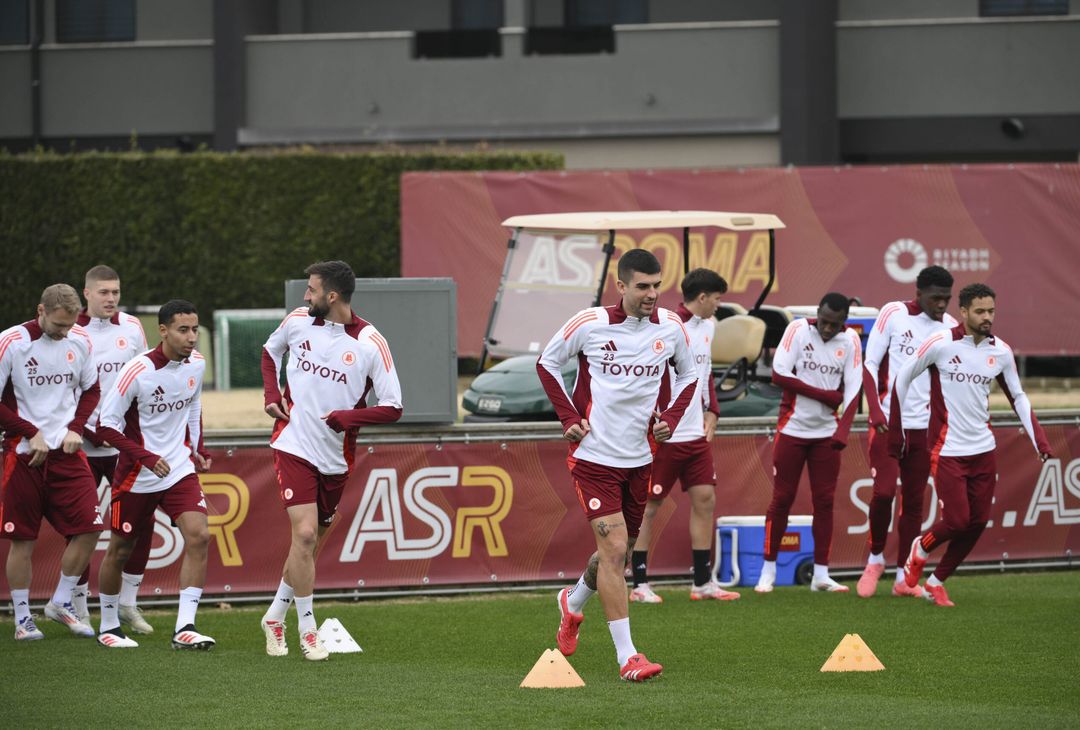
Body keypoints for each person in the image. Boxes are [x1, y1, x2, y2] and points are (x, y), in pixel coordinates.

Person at [537, 249, 698, 682]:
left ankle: (572, 603)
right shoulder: (589, 323)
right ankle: (628, 657)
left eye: (656, 285)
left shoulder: (671, 328)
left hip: (640, 458)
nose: (652, 294)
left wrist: (671, 418)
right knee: (612, 551)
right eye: (642, 286)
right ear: (621, 286)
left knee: (617, 554)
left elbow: (689, 376)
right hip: (593, 458)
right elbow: (547, 363)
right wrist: (569, 418)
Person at [260, 261, 403, 661]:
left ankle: (274, 615)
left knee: (309, 543)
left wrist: (347, 419)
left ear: (333, 296)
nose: (306, 296)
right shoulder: (297, 322)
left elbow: (393, 407)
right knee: (304, 536)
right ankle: (307, 630)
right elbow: (269, 352)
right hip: (293, 444)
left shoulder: (371, 343)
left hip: (335, 459)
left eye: (312, 290)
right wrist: (272, 393)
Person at [891, 283, 1051, 607]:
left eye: (991, 311)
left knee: (978, 522)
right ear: (963, 312)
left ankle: (936, 582)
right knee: (957, 521)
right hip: (947, 450)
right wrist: (898, 429)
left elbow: (1017, 397)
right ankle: (920, 547)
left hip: (983, 450)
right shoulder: (939, 343)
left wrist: (1040, 440)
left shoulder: (1000, 352)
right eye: (980, 311)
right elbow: (903, 378)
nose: (987, 317)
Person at [94, 299, 213, 648]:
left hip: (178, 469)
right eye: (183, 330)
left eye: (194, 329)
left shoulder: (197, 365)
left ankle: (185, 628)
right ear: (162, 331)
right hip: (136, 475)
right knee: (120, 549)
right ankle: (109, 625)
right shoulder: (136, 370)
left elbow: (194, 404)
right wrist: (144, 456)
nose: (192, 337)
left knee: (200, 535)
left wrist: (198, 448)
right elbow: (106, 426)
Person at [629, 268, 739, 603]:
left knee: (706, 499)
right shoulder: (666, 325)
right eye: (717, 299)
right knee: (650, 506)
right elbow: (654, 375)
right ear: (703, 297)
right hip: (665, 435)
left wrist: (713, 411)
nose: (719, 306)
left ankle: (702, 582)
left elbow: (704, 374)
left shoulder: (709, 326)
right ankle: (639, 583)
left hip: (696, 435)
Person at [0, 284, 102, 641]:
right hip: (24, 455)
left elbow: (92, 389)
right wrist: (29, 432)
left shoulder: (79, 341)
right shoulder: (11, 341)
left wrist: (76, 427)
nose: (64, 332)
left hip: (68, 453)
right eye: (58, 325)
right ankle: (23, 619)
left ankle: (60, 602)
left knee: (90, 528)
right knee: (23, 540)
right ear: (40, 310)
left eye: (70, 325)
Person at [856, 266, 955, 599]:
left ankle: (902, 578)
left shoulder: (951, 328)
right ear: (919, 292)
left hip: (924, 431)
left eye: (947, 298)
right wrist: (873, 408)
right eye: (936, 298)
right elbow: (869, 365)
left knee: (914, 503)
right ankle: (874, 561)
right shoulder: (893, 313)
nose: (942, 305)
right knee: (883, 493)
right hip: (888, 424)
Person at [755, 292, 862, 594]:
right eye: (825, 322)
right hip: (792, 429)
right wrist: (824, 395)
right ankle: (768, 569)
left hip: (826, 434)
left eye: (836, 325)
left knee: (825, 502)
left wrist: (844, 429)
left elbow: (854, 389)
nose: (828, 329)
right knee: (782, 498)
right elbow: (779, 374)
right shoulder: (798, 330)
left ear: (844, 322)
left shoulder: (850, 341)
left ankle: (821, 574)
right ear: (818, 313)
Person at [71, 264, 153, 632]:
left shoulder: (133, 327)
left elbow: (144, 379)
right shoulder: (69, 331)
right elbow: (63, 389)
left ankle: (128, 605)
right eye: (103, 292)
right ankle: (77, 606)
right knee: (82, 528)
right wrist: (87, 429)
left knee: (140, 526)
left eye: (115, 292)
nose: (111, 299)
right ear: (86, 293)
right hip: (82, 447)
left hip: (124, 447)